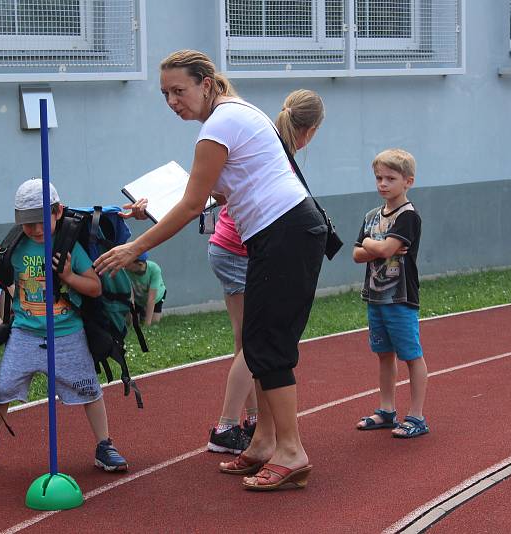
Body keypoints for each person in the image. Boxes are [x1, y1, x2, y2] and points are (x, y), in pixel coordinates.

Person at [94, 50, 327, 491]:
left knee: (268, 345)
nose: (172, 101)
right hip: (278, 235)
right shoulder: (229, 117)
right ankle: (262, 442)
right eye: (164, 94)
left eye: (178, 91)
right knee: (257, 343)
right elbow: (213, 193)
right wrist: (152, 213)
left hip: (286, 233)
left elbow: (192, 203)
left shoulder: (219, 124)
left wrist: (134, 248)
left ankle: (292, 451)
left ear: (206, 84)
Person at [0, 178, 129, 471]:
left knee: (89, 389)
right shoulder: (15, 246)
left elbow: (95, 287)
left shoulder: (69, 247)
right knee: (2, 388)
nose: (36, 230)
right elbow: (6, 280)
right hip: (25, 333)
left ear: (58, 212)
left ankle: (104, 445)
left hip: (67, 334)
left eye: (41, 221)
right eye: (28, 224)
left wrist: (68, 277)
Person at [206, 89, 325, 456]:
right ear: (311, 130)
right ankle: (230, 427)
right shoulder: (275, 151)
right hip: (245, 248)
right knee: (256, 344)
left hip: (230, 246)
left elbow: (218, 191)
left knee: (252, 341)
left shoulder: (261, 141)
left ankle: (260, 431)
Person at [352, 148, 429, 438]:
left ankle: (417, 416)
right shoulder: (372, 215)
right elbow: (356, 254)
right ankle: (386, 410)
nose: (383, 184)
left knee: (411, 355)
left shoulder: (408, 217)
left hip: (400, 298)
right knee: (384, 355)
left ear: (408, 181)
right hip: (375, 297)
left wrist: (372, 245)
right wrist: (376, 245)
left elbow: (379, 249)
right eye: (378, 178)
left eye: (390, 178)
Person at [125, 252, 166, 326]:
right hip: (138, 297)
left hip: (156, 298)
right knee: (131, 322)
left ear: (140, 264)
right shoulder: (127, 270)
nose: (125, 265)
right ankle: (142, 312)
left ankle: (144, 313)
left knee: (154, 323)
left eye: (128, 263)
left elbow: (151, 299)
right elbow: (131, 297)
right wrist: (132, 320)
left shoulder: (154, 269)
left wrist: (147, 324)